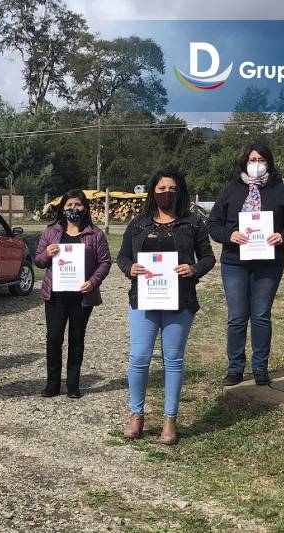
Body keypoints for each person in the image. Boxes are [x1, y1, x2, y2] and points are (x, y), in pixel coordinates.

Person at [116, 170, 215, 445]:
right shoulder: (138, 224)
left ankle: (170, 419)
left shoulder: (193, 223)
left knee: (173, 360)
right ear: (153, 191)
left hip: (180, 301)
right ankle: (136, 414)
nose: (166, 193)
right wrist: (129, 268)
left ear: (179, 191)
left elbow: (208, 258)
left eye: (172, 188)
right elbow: (122, 256)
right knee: (139, 357)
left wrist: (193, 268)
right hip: (144, 301)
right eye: (161, 187)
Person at [208, 143, 284, 386]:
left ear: (268, 162)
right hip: (235, 262)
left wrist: (283, 236)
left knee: (261, 316)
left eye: (261, 159)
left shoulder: (281, 191)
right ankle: (235, 368)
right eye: (252, 159)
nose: (256, 163)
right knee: (237, 317)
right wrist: (230, 235)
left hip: (268, 264)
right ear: (245, 162)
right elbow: (213, 224)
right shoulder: (230, 190)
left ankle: (260, 367)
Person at [33, 189, 111, 399]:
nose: (73, 208)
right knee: (54, 338)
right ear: (62, 208)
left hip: (82, 296)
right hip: (56, 295)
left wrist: (93, 282)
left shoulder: (95, 234)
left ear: (85, 207)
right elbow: (38, 260)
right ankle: (52, 383)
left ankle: (73, 384)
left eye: (77, 204)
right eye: (69, 205)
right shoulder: (51, 232)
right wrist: (46, 254)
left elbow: (105, 262)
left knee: (77, 339)